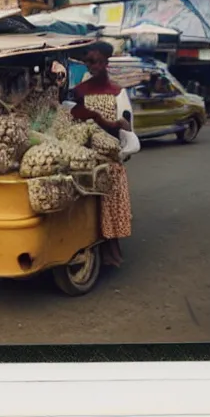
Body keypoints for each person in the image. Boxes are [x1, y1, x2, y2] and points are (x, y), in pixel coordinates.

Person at [70, 41, 137, 267]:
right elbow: (71, 118)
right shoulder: (79, 90)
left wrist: (115, 123)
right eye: (88, 62)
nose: (91, 66)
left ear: (106, 62)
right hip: (83, 158)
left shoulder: (118, 92)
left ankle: (111, 251)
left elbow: (127, 126)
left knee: (108, 206)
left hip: (109, 158)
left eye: (95, 61)